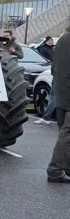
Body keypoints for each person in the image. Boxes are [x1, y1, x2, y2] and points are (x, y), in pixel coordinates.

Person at [46, 25, 70, 183]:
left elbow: (54, 68)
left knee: (65, 131)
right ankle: (55, 169)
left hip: (62, 94)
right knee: (67, 134)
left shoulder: (63, 39)